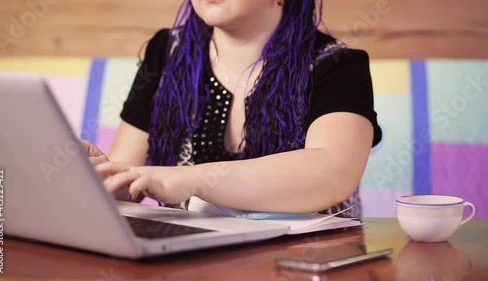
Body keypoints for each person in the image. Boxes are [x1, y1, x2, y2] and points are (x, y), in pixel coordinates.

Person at [82, 0, 382, 218]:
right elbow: (128, 175)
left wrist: (187, 179)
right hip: (189, 258)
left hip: (306, 262)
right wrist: (111, 179)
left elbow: (332, 173)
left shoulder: (338, 64)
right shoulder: (165, 51)